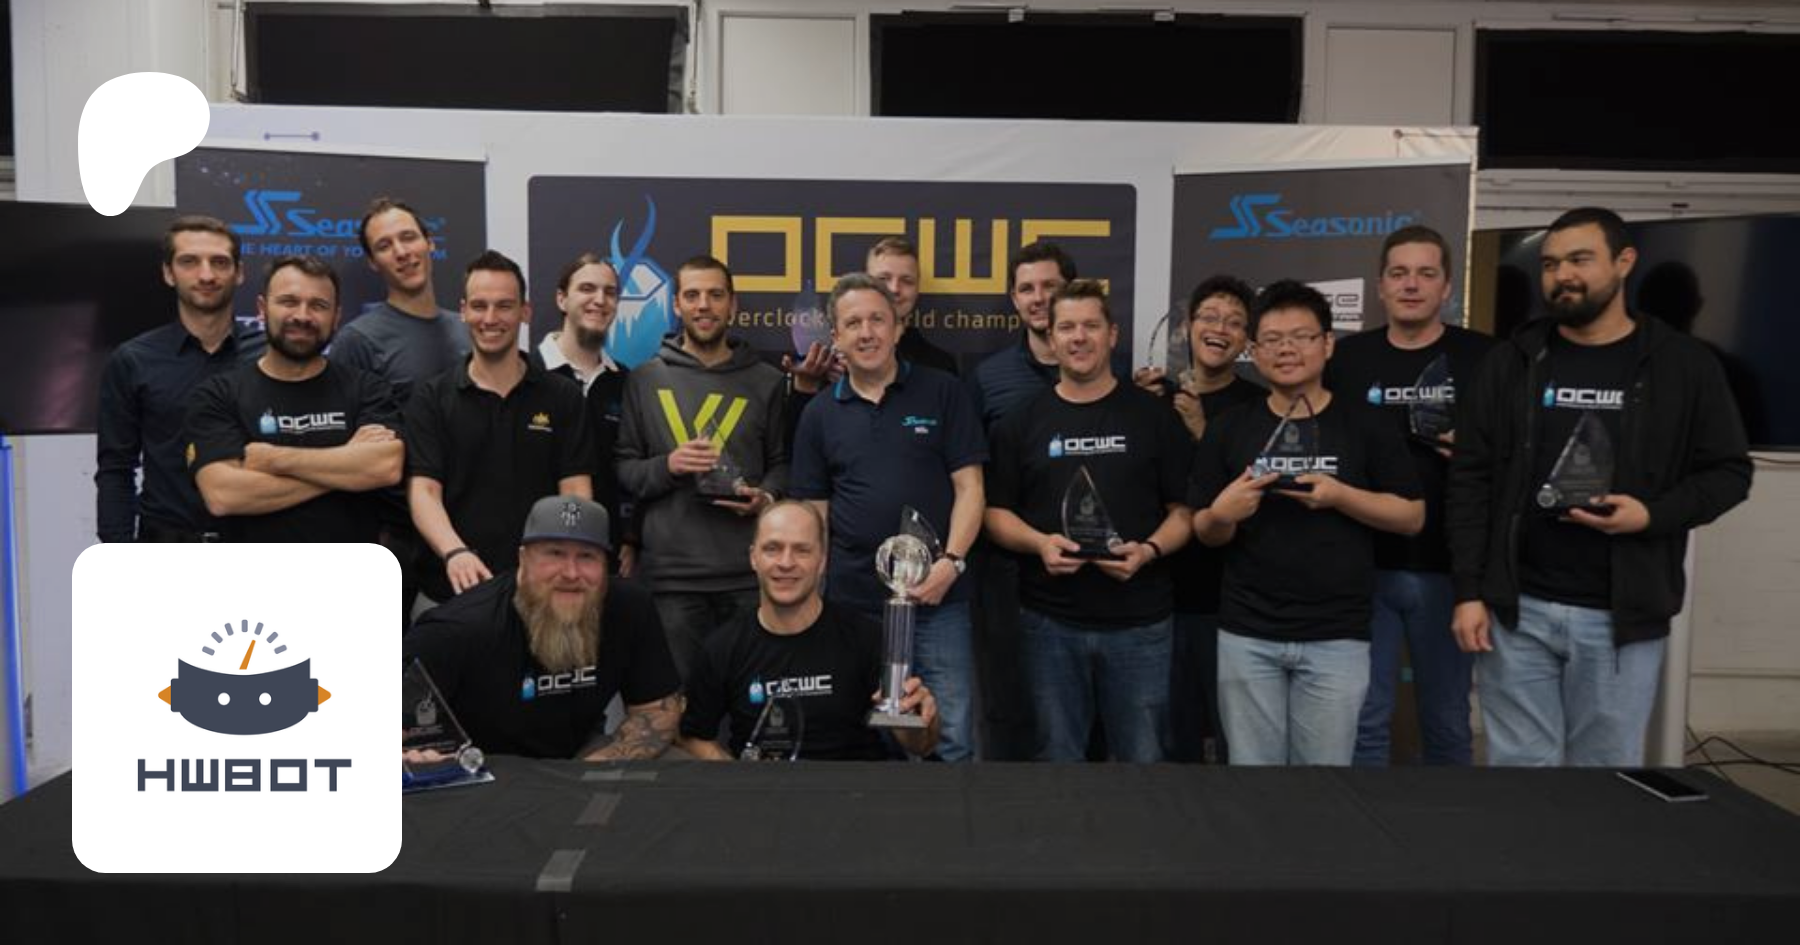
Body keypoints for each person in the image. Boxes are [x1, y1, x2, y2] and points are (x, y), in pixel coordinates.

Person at [1447, 206, 1752, 767]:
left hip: (1619, 619)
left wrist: (1651, 515)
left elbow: (1730, 473)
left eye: (1580, 259)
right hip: (1517, 612)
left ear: (1623, 262)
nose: (1562, 275)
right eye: (1550, 264)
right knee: (1518, 772)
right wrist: (1469, 591)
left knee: (1607, 775)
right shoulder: (1512, 362)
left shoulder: (1684, 366)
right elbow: (1470, 478)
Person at [1189, 280, 1424, 766]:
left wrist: (1341, 496)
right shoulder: (1230, 427)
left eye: (1301, 336)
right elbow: (1205, 531)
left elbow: (1411, 517)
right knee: (1253, 780)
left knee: (1323, 783)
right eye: (1273, 339)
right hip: (1248, 634)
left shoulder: (1365, 424)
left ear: (1328, 343)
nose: (1287, 349)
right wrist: (1221, 514)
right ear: (1254, 350)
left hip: (1336, 636)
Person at [984, 280, 1194, 762]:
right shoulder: (1021, 421)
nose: (1079, 338)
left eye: (1091, 326)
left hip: (1140, 624)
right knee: (1057, 760)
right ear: (1051, 337)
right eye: (1067, 328)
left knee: (1143, 761)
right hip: (1049, 624)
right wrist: (1039, 543)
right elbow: (994, 514)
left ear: (1112, 334)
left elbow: (1184, 512)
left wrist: (1149, 550)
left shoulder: (1155, 417)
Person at [789, 273, 986, 761]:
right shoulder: (818, 414)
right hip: (855, 606)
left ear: (898, 328)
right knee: (872, 739)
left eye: (877, 320)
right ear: (835, 337)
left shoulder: (944, 391)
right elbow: (815, 515)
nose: (867, 333)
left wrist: (952, 564)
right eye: (853, 323)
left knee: (953, 736)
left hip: (940, 599)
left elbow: (971, 489)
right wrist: (814, 595)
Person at [1325, 225, 1495, 767]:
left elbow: (1519, 451)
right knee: (1365, 721)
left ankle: (1454, 819)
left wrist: (1480, 450)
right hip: (1364, 567)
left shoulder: (1486, 358)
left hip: (1450, 569)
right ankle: (1365, 820)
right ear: (1380, 286)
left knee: (1447, 721)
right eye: (1399, 273)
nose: (1411, 285)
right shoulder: (1347, 360)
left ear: (1447, 287)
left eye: (1426, 273)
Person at [616, 255, 789, 680]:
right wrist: (669, 465)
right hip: (672, 583)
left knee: (750, 705)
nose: (704, 305)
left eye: (715, 295)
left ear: (733, 304)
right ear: (676, 305)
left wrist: (766, 498)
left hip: (749, 575)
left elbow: (782, 464)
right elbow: (625, 469)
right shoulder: (645, 379)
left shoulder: (767, 381)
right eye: (692, 295)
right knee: (679, 706)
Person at [405, 495, 682, 760]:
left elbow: (656, 710)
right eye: (555, 553)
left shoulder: (630, 607)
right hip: (484, 767)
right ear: (523, 559)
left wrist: (592, 771)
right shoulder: (455, 629)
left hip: (583, 756)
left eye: (587, 556)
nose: (571, 573)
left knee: (680, 766)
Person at [678, 500, 940, 761]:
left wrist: (915, 719)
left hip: (853, 784)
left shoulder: (865, 637)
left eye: (802, 550)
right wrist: (740, 779)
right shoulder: (722, 647)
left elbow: (923, 746)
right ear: (753, 557)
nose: (786, 562)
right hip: (765, 787)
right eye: (772, 549)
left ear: (822, 560)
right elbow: (693, 736)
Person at [405, 250, 593, 608]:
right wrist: (455, 553)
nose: (490, 318)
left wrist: (556, 560)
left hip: (540, 594)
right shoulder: (432, 397)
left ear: (525, 312)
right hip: (448, 591)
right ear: (463, 311)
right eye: (479, 306)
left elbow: (575, 491)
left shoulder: (563, 396)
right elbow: (424, 492)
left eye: (504, 306)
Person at [185, 255, 404, 543]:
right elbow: (223, 496)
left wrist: (273, 459)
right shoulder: (218, 395)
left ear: (337, 316)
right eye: (288, 302)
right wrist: (347, 465)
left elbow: (384, 468)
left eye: (318, 305)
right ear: (262, 309)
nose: (302, 316)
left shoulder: (368, 389)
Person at [331, 197, 470, 623]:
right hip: (399, 543)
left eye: (408, 238)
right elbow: (347, 455)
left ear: (430, 242)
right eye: (385, 245)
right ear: (373, 263)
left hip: (473, 531)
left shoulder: (471, 331)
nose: (402, 252)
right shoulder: (358, 341)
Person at [1148, 275, 1265, 763]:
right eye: (1210, 318)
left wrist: (1202, 431)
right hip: (1160, 596)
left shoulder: (1258, 406)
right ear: (1188, 326)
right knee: (1173, 739)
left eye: (1234, 323)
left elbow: (1251, 496)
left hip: (1229, 598)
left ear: (1247, 339)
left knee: (1234, 735)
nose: (1220, 329)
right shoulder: (1155, 397)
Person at [95, 215, 264, 542]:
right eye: (189, 262)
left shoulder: (271, 355)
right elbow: (116, 468)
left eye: (219, 262)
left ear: (240, 272)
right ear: (168, 273)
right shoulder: (133, 360)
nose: (206, 275)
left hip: (260, 543)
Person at [532, 251, 636, 573]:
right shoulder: (526, 374)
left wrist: (630, 537)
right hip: (533, 550)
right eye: (587, 289)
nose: (600, 300)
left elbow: (631, 467)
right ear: (562, 299)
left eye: (610, 292)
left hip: (604, 554)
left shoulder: (626, 382)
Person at [867, 235, 959, 376]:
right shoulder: (838, 362)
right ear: (865, 285)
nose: (894, 289)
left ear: (917, 289)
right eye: (883, 279)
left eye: (906, 280)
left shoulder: (940, 366)